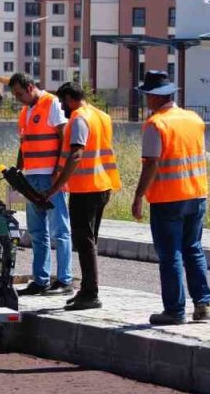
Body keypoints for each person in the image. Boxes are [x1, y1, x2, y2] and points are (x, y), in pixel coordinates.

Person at [132, 70, 210, 326]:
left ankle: (174, 311)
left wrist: (138, 196)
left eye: (147, 95)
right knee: (194, 250)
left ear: (155, 97)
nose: (146, 100)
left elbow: (151, 164)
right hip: (197, 194)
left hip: (168, 199)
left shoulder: (157, 124)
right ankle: (202, 305)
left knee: (171, 255)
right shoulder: (194, 119)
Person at [54, 82, 120, 311]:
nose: (62, 107)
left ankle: (90, 293)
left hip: (86, 188)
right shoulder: (101, 116)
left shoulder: (80, 118)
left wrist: (57, 184)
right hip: (102, 185)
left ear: (71, 98)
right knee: (89, 240)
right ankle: (86, 289)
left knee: (85, 241)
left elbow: (77, 153)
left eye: (63, 101)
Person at [9, 72, 73, 296]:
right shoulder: (25, 111)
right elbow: (23, 144)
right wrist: (18, 172)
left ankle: (65, 280)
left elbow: (64, 137)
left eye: (18, 93)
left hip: (50, 178)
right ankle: (40, 279)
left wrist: (59, 170)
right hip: (31, 177)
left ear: (29, 88)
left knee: (60, 230)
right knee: (37, 232)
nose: (17, 98)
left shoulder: (51, 102)